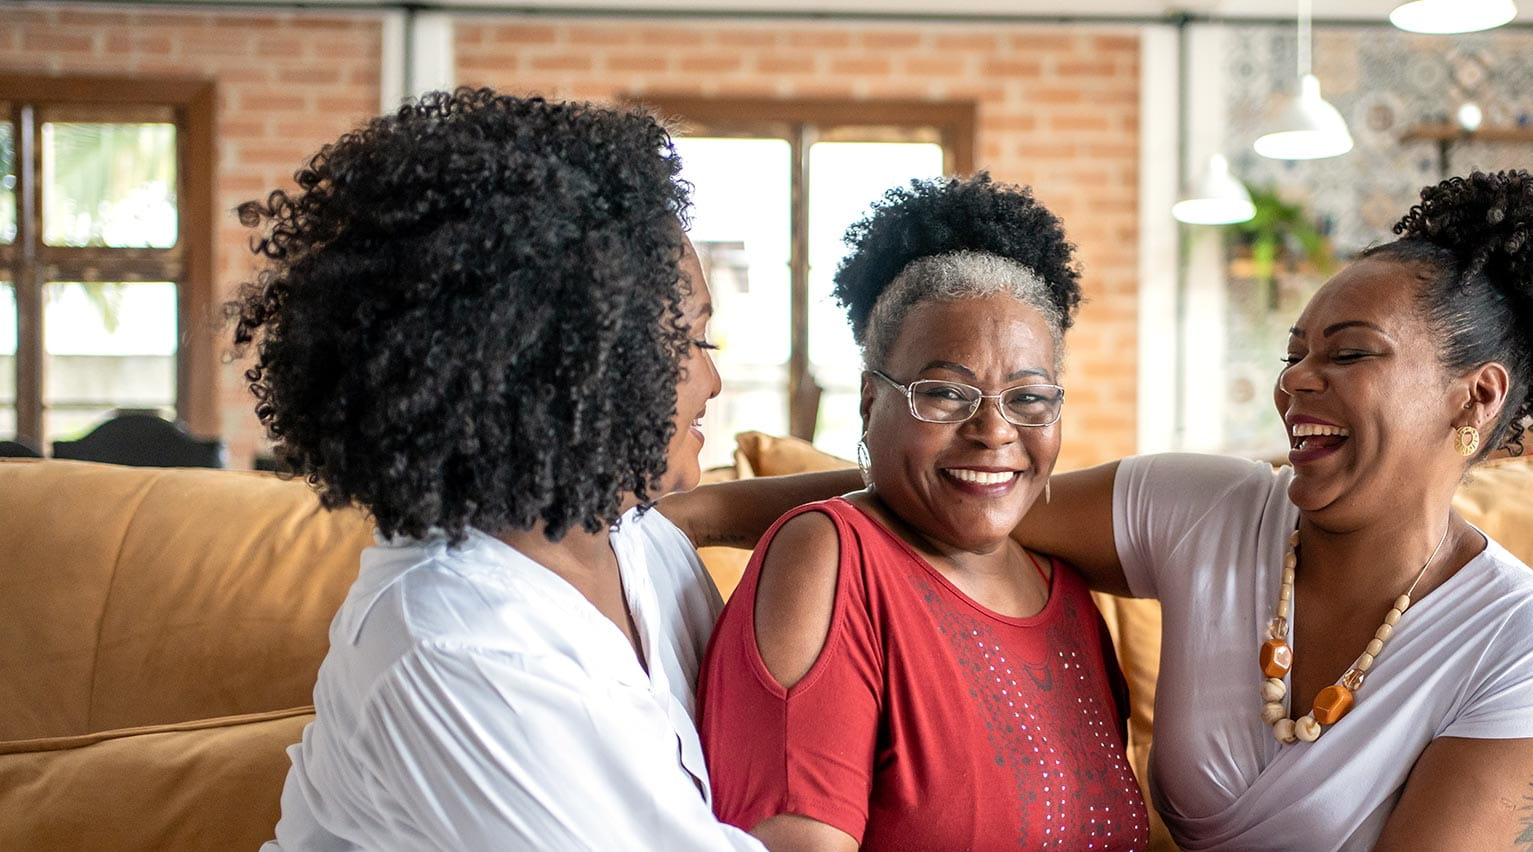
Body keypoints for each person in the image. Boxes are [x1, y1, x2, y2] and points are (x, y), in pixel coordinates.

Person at [232, 87, 838, 851]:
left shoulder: (613, 534)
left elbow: (706, 514)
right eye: (694, 343)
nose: (711, 383)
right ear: (574, 366)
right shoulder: (461, 648)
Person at [1014, 170, 1533, 850]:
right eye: (1293, 355)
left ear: (1476, 397)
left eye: (1348, 353)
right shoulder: (1208, 510)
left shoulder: (1528, 644)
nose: (1292, 380)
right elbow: (954, 495)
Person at [698, 174, 1150, 851]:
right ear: (868, 403)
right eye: (945, 393)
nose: (994, 432)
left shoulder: (1071, 596)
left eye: (1028, 398)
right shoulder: (829, 558)